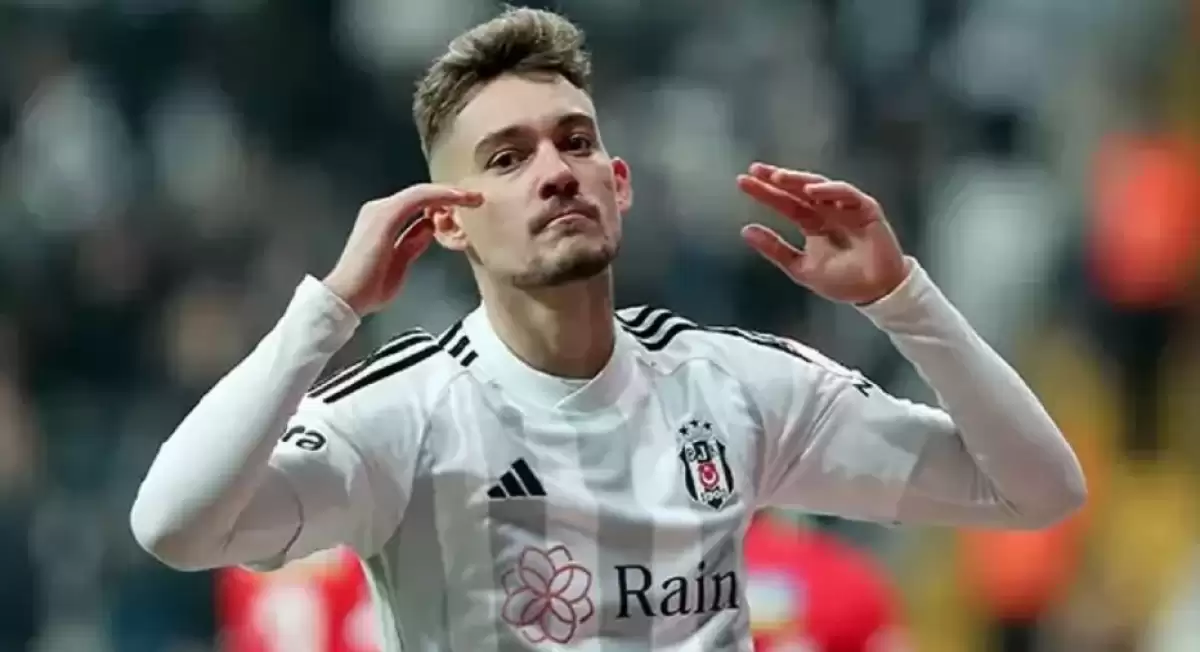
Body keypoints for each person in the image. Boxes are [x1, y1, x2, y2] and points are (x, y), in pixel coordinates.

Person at [129, 7, 1086, 650]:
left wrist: (901, 297)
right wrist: (330, 307)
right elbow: (173, 526)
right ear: (446, 222)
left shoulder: (735, 386)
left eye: (576, 141)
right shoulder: (401, 418)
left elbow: (1038, 491)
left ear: (617, 186)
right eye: (507, 158)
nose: (556, 171)